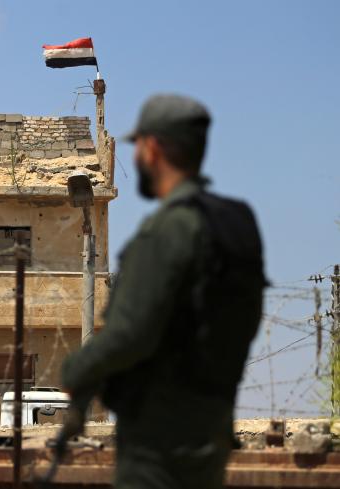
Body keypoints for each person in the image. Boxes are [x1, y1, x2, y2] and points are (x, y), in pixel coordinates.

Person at [60, 94, 266, 489]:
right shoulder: (238, 223)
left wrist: (76, 370)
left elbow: (128, 334)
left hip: (157, 447)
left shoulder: (167, 232)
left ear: (152, 149)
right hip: (210, 432)